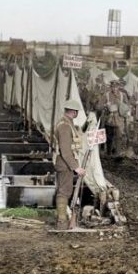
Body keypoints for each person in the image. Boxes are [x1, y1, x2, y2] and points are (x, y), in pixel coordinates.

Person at [52, 99, 86, 231]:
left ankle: (63, 221)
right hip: (65, 164)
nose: (77, 113)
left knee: (65, 191)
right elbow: (65, 151)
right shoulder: (64, 126)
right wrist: (76, 167)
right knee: (64, 192)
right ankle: (61, 223)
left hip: (66, 163)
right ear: (73, 111)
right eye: (76, 111)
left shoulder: (68, 123)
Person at [97, 80, 127, 157]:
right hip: (109, 119)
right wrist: (105, 105)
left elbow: (127, 106)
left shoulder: (123, 95)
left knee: (119, 137)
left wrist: (123, 107)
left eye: (116, 86)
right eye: (113, 86)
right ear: (111, 87)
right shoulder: (106, 95)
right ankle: (108, 153)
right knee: (109, 137)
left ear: (119, 87)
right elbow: (99, 106)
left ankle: (117, 153)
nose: (114, 88)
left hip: (119, 119)